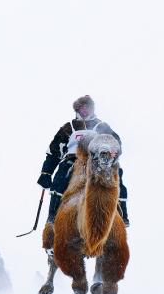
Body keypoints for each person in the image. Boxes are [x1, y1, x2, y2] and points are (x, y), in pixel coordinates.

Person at [37, 95, 129, 226]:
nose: (84, 110)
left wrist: (113, 151)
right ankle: (52, 215)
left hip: (97, 160)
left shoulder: (101, 126)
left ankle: (122, 212)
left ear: (92, 108)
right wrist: (46, 173)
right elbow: (54, 151)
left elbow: (115, 142)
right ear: (77, 109)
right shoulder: (69, 127)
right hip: (73, 158)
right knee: (62, 175)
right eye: (81, 107)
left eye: (87, 107)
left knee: (115, 173)